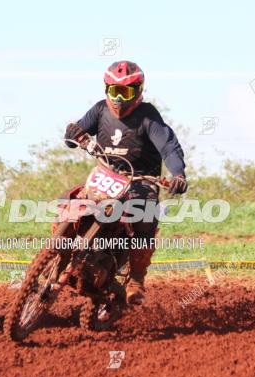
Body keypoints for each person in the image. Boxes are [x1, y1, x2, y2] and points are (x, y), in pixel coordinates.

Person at [64, 60, 188, 304]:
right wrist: (73, 133)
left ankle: (136, 279)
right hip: (106, 173)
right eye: (114, 91)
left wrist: (178, 174)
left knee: (145, 214)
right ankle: (57, 251)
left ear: (138, 91)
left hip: (140, 180)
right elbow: (78, 131)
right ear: (106, 90)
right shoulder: (100, 110)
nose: (119, 99)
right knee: (70, 200)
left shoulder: (148, 116)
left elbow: (169, 147)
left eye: (125, 92)